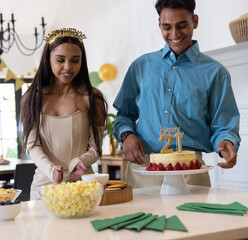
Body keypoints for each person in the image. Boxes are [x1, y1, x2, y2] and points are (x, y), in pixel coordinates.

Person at [113, 0, 241, 188]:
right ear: (159, 25)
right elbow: (124, 114)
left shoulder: (216, 72)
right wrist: (126, 135)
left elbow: (223, 124)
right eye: (167, 27)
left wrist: (226, 142)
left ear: (195, 21)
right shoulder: (140, 66)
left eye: (182, 26)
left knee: (194, 219)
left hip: (191, 171)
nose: (174, 34)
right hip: (143, 170)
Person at [20, 28, 107, 200]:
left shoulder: (93, 97)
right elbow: (32, 146)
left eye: (75, 60)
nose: (68, 67)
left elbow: (96, 147)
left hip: (83, 184)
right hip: (43, 186)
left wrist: (78, 162)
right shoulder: (31, 99)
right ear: (48, 59)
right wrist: (52, 171)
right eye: (60, 60)